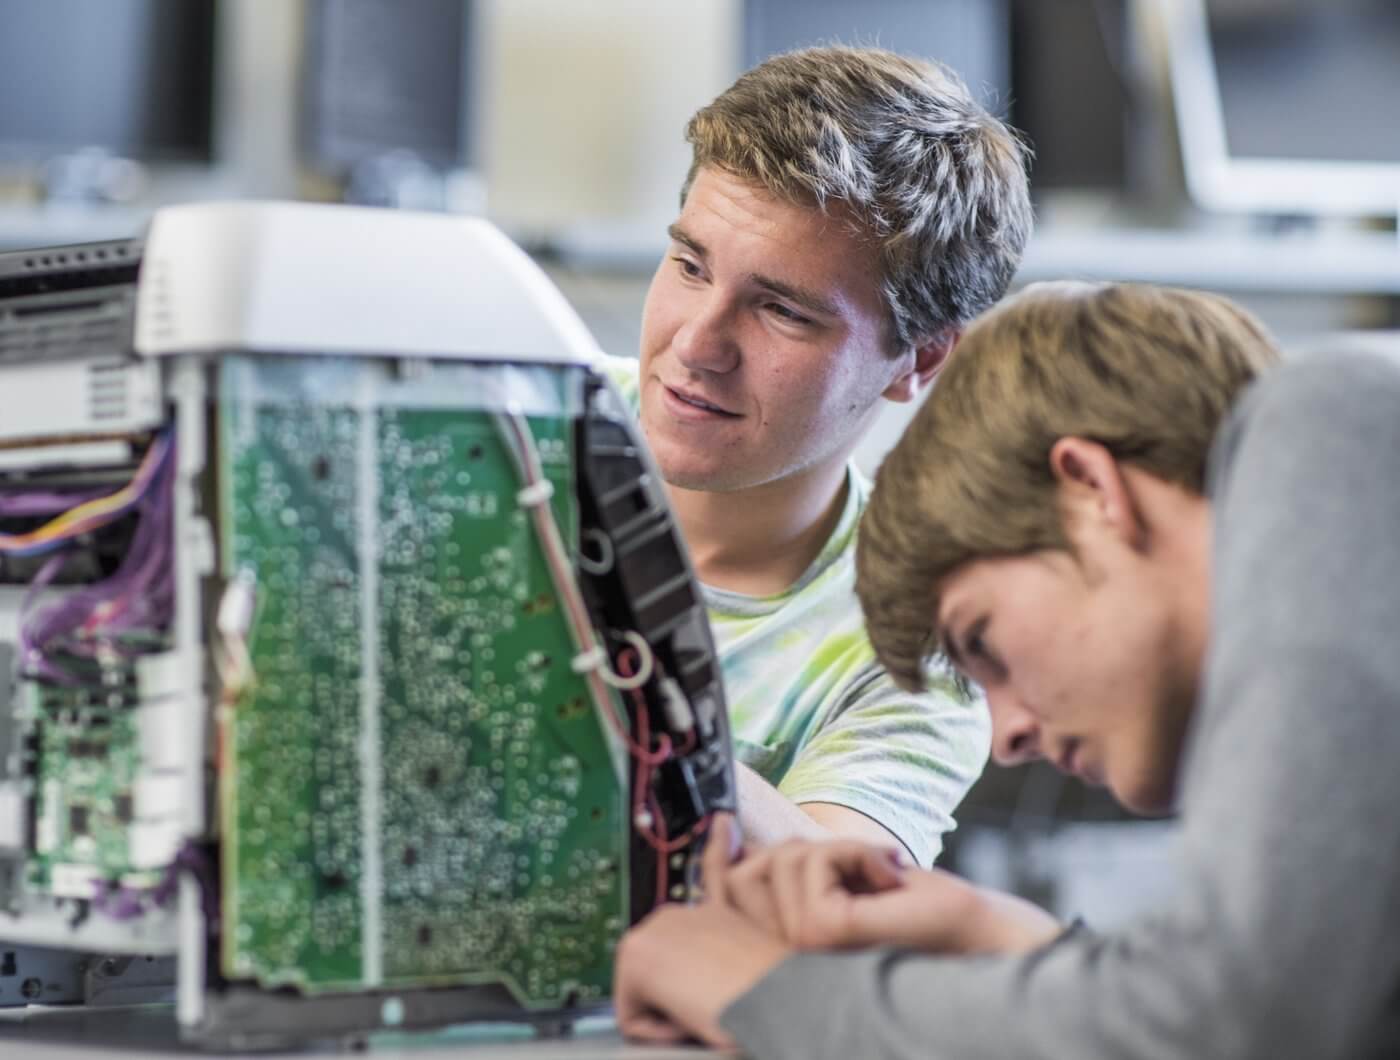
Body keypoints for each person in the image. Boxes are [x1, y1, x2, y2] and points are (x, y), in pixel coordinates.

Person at [611, 281, 1400, 1058]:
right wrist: (993, 933)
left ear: (1091, 492)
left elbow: (1235, 1022)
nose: (1009, 736)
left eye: (984, 642)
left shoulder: (1331, 422)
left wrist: (767, 992)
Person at [599, 45, 1033, 866]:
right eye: (690, 265)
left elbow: (839, 894)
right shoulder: (507, 421)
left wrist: (608, 701)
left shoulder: (910, 651)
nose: (695, 346)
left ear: (923, 360)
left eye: (782, 313)